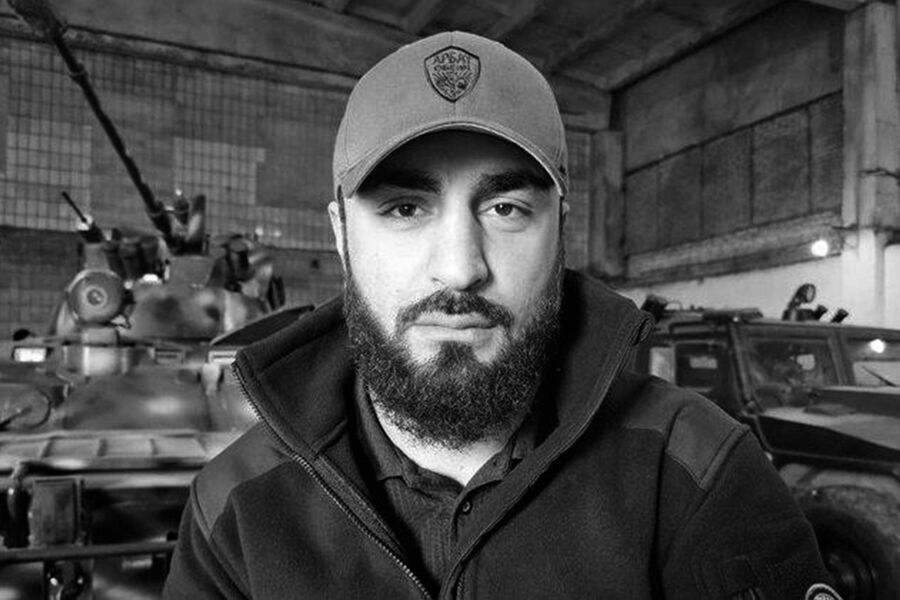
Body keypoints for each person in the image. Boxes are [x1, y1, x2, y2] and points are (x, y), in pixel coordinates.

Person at [164, 31, 840, 599]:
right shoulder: (237, 508)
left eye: (506, 209)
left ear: (560, 229)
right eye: (405, 208)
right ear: (342, 236)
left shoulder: (697, 471)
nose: (460, 268)